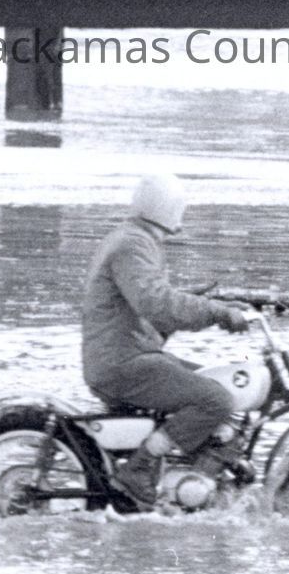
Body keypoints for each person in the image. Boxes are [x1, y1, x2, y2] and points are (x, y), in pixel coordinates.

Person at [81, 171, 254, 505]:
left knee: (218, 387)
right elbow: (157, 305)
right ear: (171, 208)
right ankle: (139, 469)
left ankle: (202, 476)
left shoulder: (133, 238)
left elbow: (147, 299)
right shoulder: (133, 244)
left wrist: (215, 303)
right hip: (124, 362)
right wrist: (216, 312)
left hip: (129, 354)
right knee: (216, 400)